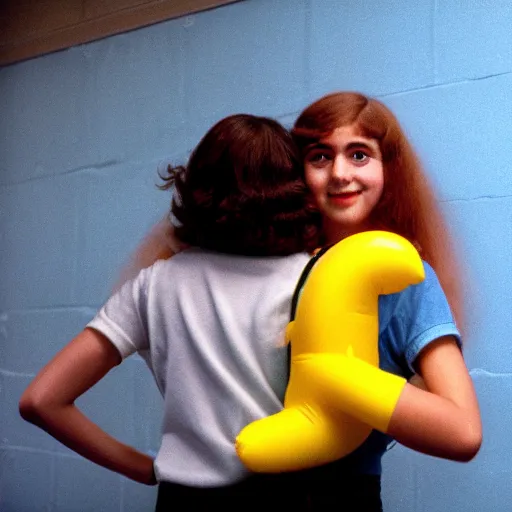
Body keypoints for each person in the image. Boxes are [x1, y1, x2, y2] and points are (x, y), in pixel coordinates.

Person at [122, 92, 482, 511]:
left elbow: (462, 431)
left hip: (340, 494)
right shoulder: (270, 262)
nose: (340, 174)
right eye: (320, 156)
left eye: (360, 155)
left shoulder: (406, 279)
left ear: (389, 169)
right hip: (232, 490)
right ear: (296, 171)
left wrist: (339, 375)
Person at [18, 114, 323, 509]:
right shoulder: (313, 276)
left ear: (197, 186)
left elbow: (40, 401)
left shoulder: (154, 284)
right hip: (291, 495)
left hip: (183, 499)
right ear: (291, 189)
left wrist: (147, 468)